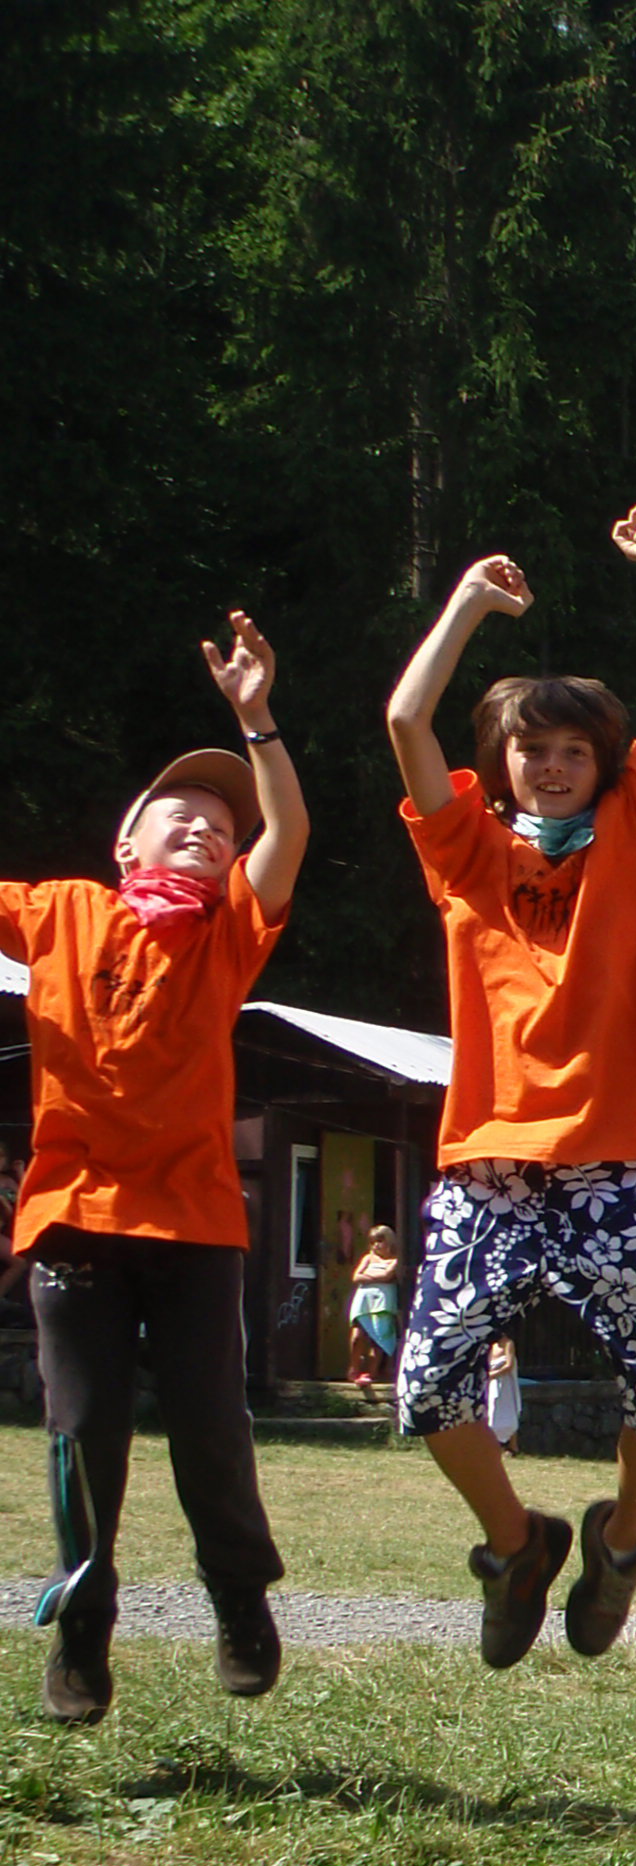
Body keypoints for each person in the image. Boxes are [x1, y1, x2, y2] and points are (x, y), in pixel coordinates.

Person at [382, 505, 636, 1670]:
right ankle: (516, 1542)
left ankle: (618, 1544)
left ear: (601, 765)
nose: (555, 765)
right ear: (503, 763)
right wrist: (470, 605)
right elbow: (405, 719)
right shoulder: (466, 850)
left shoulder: (635, 831)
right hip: (490, 1164)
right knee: (427, 1388)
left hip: (611, 1159)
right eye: (533, 749)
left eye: (575, 750)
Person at [4, 611, 308, 1723]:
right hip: (75, 1218)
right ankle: (82, 1629)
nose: (205, 829)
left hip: (193, 1226)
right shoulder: (61, 913)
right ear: (125, 845)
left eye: (222, 827)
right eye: (179, 814)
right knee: (82, 1438)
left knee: (211, 1432)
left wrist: (256, 719)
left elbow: (288, 830)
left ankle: (240, 1600)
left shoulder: (228, 933)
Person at [347, 1224, 403, 1386]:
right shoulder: (368, 1258)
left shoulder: (396, 1260)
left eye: (380, 1241)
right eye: (372, 1242)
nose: (375, 1245)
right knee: (357, 1336)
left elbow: (387, 1275)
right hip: (363, 1303)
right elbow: (356, 1277)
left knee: (379, 1337)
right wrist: (379, 1277)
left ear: (389, 1241)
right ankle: (354, 1368)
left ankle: (372, 1373)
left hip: (383, 1303)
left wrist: (368, 1276)